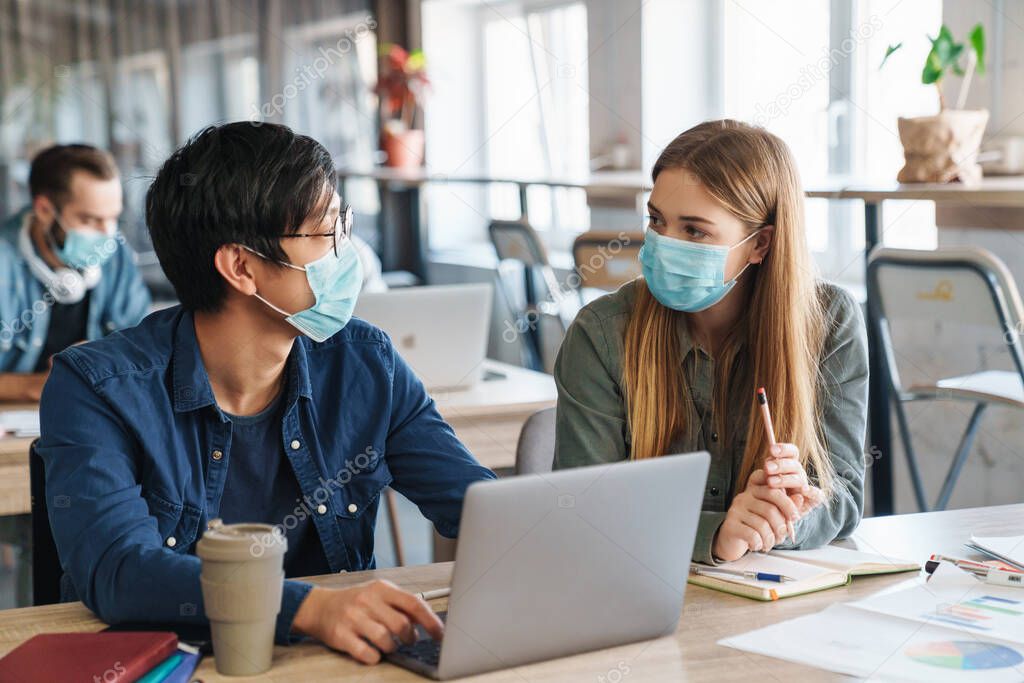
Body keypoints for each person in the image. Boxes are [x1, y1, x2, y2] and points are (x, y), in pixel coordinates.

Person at [38, 122, 495, 664]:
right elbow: (120, 570)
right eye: (326, 233)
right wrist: (309, 608)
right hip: (182, 666)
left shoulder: (365, 362)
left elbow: (480, 509)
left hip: (336, 665)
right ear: (242, 267)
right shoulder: (95, 388)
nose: (346, 253)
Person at [553, 119, 868, 564]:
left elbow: (845, 495)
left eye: (694, 231)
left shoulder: (830, 322)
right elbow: (583, 513)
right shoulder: (600, 334)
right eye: (656, 220)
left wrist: (785, 516)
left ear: (761, 244)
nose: (663, 244)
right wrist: (715, 534)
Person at [0, 144, 150, 401]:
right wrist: (35, 385)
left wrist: (105, 356)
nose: (108, 234)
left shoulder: (116, 255)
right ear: (45, 210)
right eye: (90, 220)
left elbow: (146, 354)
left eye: (113, 218)